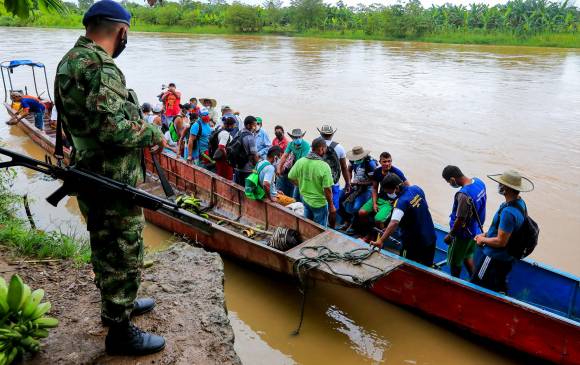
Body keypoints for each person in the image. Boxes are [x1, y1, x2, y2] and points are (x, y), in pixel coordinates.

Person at [54, 0, 165, 355]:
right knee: (122, 247)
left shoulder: (69, 61)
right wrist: (153, 134)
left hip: (89, 168)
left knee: (104, 242)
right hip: (110, 176)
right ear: (121, 31)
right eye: (125, 34)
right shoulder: (101, 67)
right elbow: (114, 129)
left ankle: (118, 306)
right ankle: (120, 332)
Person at [472, 170, 533, 293]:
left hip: (494, 257)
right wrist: (485, 234)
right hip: (507, 258)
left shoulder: (508, 212)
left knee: (476, 284)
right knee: (497, 285)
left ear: (506, 188)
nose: (499, 186)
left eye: (501, 184)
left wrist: (481, 239)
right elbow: (506, 230)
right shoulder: (520, 203)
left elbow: (501, 241)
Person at [370, 174, 437, 267]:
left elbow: (394, 223)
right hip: (430, 237)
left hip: (413, 244)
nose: (388, 195)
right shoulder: (416, 188)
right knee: (427, 266)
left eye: (389, 192)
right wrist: (389, 229)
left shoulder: (401, 202)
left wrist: (380, 241)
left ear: (396, 188)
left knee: (406, 265)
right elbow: (421, 208)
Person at [442, 165, 487, 278]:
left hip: (462, 235)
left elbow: (460, 219)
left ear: (452, 179)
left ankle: (455, 282)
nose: (450, 184)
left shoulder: (463, 195)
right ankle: (474, 279)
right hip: (475, 231)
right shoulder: (479, 182)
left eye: (449, 182)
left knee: (454, 262)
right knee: (467, 255)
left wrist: (451, 235)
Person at [359, 152, 409, 241]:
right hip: (379, 197)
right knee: (362, 212)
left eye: (389, 161)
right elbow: (374, 188)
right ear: (380, 162)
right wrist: (374, 203)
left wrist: (399, 204)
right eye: (384, 161)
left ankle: (380, 239)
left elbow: (408, 188)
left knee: (378, 219)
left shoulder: (397, 172)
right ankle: (369, 234)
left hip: (390, 202)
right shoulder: (377, 172)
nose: (387, 164)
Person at [288, 137, 335, 227]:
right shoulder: (324, 166)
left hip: (305, 199)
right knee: (319, 229)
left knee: (307, 224)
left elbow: (290, 177)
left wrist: (301, 185)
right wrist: (331, 205)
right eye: (325, 148)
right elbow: (327, 189)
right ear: (321, 149)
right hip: (319, 204)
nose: (325, 151)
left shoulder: (300, 161)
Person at [338, 146, 377, 235]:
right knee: (338, 199)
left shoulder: (370, 164)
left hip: (367, 188)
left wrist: (359, 183)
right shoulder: (353, 160)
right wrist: (348, 182)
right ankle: (347, 221)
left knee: (356, 207)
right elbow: (349, 170)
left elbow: (374, 182)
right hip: (355, 184)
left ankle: (353, 225)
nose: (356, 160)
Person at [317, 125, 350, 212]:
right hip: (333, 182)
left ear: (320, 133)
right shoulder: (339, 147)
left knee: (319, 204)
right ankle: (331, 224)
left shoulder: (315, 146)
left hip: (318, 181)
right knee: (333, 207)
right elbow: (344, 167)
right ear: (332, 134)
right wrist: (347, 183)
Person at [277, 129, 310, 199]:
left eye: (299, 137)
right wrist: (279, 168)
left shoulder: (306, 145)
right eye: (295, 137)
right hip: (295, 168)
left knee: (297, 193)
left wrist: (293, 173)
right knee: (281, 178)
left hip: (303, 170)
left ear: (302, 137)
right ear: (292, 138)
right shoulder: (291, 144)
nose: (298, 139)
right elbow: (284, 156)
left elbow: (302, 162)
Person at [233, 116, 259, 185]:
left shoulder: (239, 133)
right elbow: (254, 155)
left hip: (237, 167)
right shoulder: (250, 137)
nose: (256, 127)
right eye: (254, 125)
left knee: (237, 188)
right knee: (246, 191)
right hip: (247, 170)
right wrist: (257, 168)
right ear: (248, 125)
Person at [213, 115, 237, 180]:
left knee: (220, 176)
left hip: (220, 159)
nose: (234, 127)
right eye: (234, 125)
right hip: (224, 161)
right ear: (230, 126)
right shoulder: (225, 134)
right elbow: (221, 146)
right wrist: (227, 157)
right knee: (227, 178)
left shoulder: (220, 130)